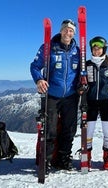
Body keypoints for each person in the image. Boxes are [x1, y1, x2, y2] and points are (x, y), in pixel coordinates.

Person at [30, 19, 80, 172]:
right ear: (60, 31)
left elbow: (81, 72)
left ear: (74, 33)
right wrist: (39, 79)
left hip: (71, 96)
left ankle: (63, 159)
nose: (68, 32)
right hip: (52, 95)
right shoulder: (48, 48)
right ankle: (47, 160)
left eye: (71, 30)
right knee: (50, 130)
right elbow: (35, 66)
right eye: (65, 29)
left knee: (69, 130)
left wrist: (82, 84)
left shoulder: (78, 51)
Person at [84, 36, 108, 170]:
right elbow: (82, 82)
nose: (96, 50)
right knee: (89, 132)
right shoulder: (87, 64)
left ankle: (107, 157)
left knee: (107, 132)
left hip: (106, 101)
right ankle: (86, 157)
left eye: (99, 48)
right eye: (94, 48)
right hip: (91, 101)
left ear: (104, 49)